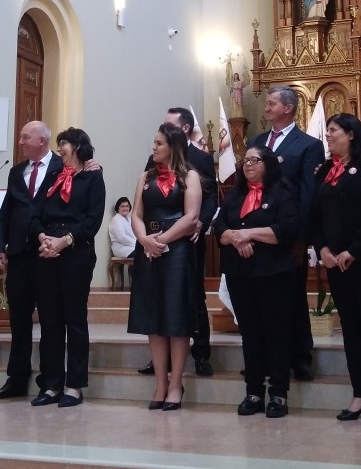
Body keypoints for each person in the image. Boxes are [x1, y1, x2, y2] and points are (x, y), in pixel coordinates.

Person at [308, 113, 361, 424]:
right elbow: (314, 216)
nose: (327, 135)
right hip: (335, 262)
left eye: (333, 130)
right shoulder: (325, 171)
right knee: (351, 329)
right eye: (327, 130)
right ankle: (358, 393)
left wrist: (354, 250)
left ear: (351, 134)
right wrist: (324, 249)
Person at [247, 86, 325, 381]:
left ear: (288, 108)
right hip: (258, 233)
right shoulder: (257, 142)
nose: (266, 108)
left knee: (291, 297)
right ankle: (264, 358)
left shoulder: (306, 144)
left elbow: (308, 194)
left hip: (288, 234)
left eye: (271, 104)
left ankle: (300, 356)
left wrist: (300, 238)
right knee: (261, 301)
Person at [217, 145, 298, 418]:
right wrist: (236, 239)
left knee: (275, 332)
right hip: (241, 274)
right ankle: (253, 391)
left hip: (273, 273)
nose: (248, 164)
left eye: (255, 160)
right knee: (249, 334)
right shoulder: (236, 195)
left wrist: (246, 234)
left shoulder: (282, 192)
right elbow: (220, 228)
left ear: (269, 163)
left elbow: (285, 230)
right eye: (245, 160)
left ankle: (278, 392)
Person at [137, 107, 217, 377]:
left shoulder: (199, 160)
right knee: (157, 300)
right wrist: (147, 237)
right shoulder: (152, 161)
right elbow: (148, 198)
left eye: (167, 126)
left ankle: (202, 353)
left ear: (181, 130)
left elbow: (209, 198)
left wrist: (199, 224)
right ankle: (160, 360)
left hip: (187, 237)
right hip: (153, 241)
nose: (161, 131)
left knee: (192, 297)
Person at [127, 123, 202, 411]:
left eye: (158, 143)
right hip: (149, 249)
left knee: (175, 318)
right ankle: (159, 383)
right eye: (153, 142)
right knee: (153, 318)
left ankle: (175, 384)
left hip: (177, 250)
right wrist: (145, 240)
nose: (154, 147)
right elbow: (137, 213)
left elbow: (191, 216)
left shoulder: (189, 176)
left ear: (172, 145)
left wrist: (164, 240)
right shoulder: (145, 176)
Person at [29, 127, 105, 408]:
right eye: (59, 144)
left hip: (75, 252)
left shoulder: (93, 177)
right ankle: (51, 384)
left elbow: (93, 221)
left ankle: (74, 385)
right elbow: (34, 213)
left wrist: (64, 242)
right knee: (49, 322)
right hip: (46, 250)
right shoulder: (52, 176)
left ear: (78, 147)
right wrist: (42, 237)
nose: (59, 148)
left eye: (64, 144)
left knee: (74, 320)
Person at [0, 120, 62, 400]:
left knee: (50, 318)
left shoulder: (60, 168)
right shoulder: (17, 172)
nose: (20, 141)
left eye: (25, 137)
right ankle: (16, 378)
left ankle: (50, 380)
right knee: (18, 319)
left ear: (42, 140)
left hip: (48, 253)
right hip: (19, 254)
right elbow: (7, 211)